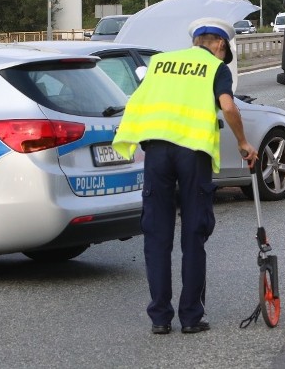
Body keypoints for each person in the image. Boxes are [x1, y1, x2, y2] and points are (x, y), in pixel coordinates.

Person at [112, 17, 258, 335]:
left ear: (196, 40)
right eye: (225, 51)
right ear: (219, 44)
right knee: (193, 234)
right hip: (193, 154)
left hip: (157, 154)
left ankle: (160, 318)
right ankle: (191, 317)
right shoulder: (214, 68)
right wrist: (244, 143)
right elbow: (228, 107)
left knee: (156, 236)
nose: (223, 57)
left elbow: (139, 101)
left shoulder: (161, 63)